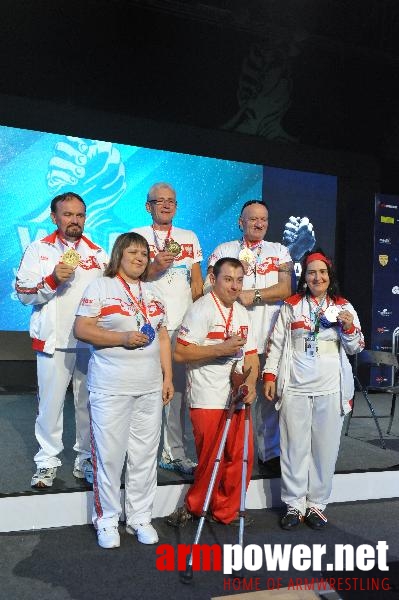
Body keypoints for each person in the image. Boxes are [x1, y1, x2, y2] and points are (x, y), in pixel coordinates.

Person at [74, 232, 173, 548]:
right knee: (110, 456)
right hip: (110, 387)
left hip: (148, 388)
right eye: (133, 252)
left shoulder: (153, 292)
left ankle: (140, 516)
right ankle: (106, 521)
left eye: (144, 253)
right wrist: (122, 339)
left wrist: (167, 377)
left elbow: (163, 336)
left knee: (145, 456)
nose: (140, 257)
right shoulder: (101, 286)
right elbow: (82, 329)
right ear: (119, 255)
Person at [263, 249, 364, 530]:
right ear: (304, 277)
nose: (317, 277)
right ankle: (294, 505)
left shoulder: (344, 306)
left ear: (329, 276)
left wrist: (349, 327)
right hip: (294, 387)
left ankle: (317, 505)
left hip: (331, 389)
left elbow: (356, 347)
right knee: (294, 447)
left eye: (322, 272)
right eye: (311, 272)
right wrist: (269, 376)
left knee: (325, 448)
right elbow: (277, 345)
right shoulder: (292, 305)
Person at [15, 192, 108, 488]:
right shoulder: (38, 250)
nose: (74, 220)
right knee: (50, 406)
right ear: (54, 217)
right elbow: (23, 294)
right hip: (53, 342)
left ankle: (85, 459)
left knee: (87, 404)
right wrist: (53, 279)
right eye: (67, 214)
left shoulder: (97, 254)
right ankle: (46, 461)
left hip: (89, 343)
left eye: (79, 215)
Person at [166, 258, 259, 527]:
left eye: (239, 280)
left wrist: (250, 386)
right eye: (228, 279)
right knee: (210, 458)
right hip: (208, 396)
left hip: (237, 396)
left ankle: (226, 511)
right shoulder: (201, 309)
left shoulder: (242, 312)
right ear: (214, 279)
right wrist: (220, 349)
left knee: (240, 457)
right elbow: (181, 352)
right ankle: (196, 506)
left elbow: (251, 355)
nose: (234, 286)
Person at [207, 200, 292, 476]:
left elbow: (285, 288)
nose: (259, 224)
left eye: (264, 219)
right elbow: (210, 286)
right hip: (233, 340)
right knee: (229, 398)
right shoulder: (224, 250)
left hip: (270, 340)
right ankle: (225, 455)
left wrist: (252, 295)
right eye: (253, 219)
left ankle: (270, 455)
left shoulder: (279, 251)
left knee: (269, 399)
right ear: (240, 222)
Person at [133, 182, 203, 475]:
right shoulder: (136, 236)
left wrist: (202, 322)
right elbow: (130, 275)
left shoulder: (188, 237)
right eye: (159, 201)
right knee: (147, 391)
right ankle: (141, 454)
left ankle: (173, 452)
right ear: (148, 206)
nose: (165, 205)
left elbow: (197, 283)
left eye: (171, 201)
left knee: (177, 395)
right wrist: (155, 267)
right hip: (149, 325)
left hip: (183, 327)